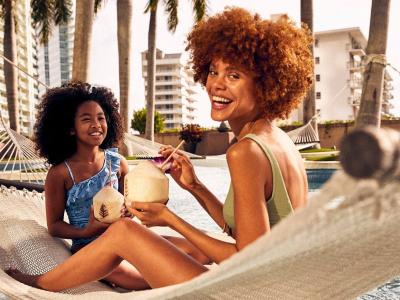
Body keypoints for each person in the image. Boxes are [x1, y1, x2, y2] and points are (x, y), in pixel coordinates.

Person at [7, 7, 313, 291]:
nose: (216, 85)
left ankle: (40, 285)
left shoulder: (245, 151)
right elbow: (245, 233)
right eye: (213, 71)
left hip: (250, 292)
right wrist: (195, 187)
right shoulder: (278, 140)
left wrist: (169, 218)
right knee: (137, 235)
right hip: (276, 284)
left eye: (234, 75)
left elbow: (245, 256)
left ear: (266, 85)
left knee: (124, 234)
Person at [25, 81, 149, 290]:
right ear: (70, 129)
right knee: (151, 281)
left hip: (127, 239)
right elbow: (54, 226)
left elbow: (131, 206)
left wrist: (131, 211)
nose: (96, 124)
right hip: (91, 250)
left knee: (195, 253)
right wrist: (86, 232)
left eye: (101, 118)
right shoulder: (60, 174)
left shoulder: (117, 163)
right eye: (86, 119)